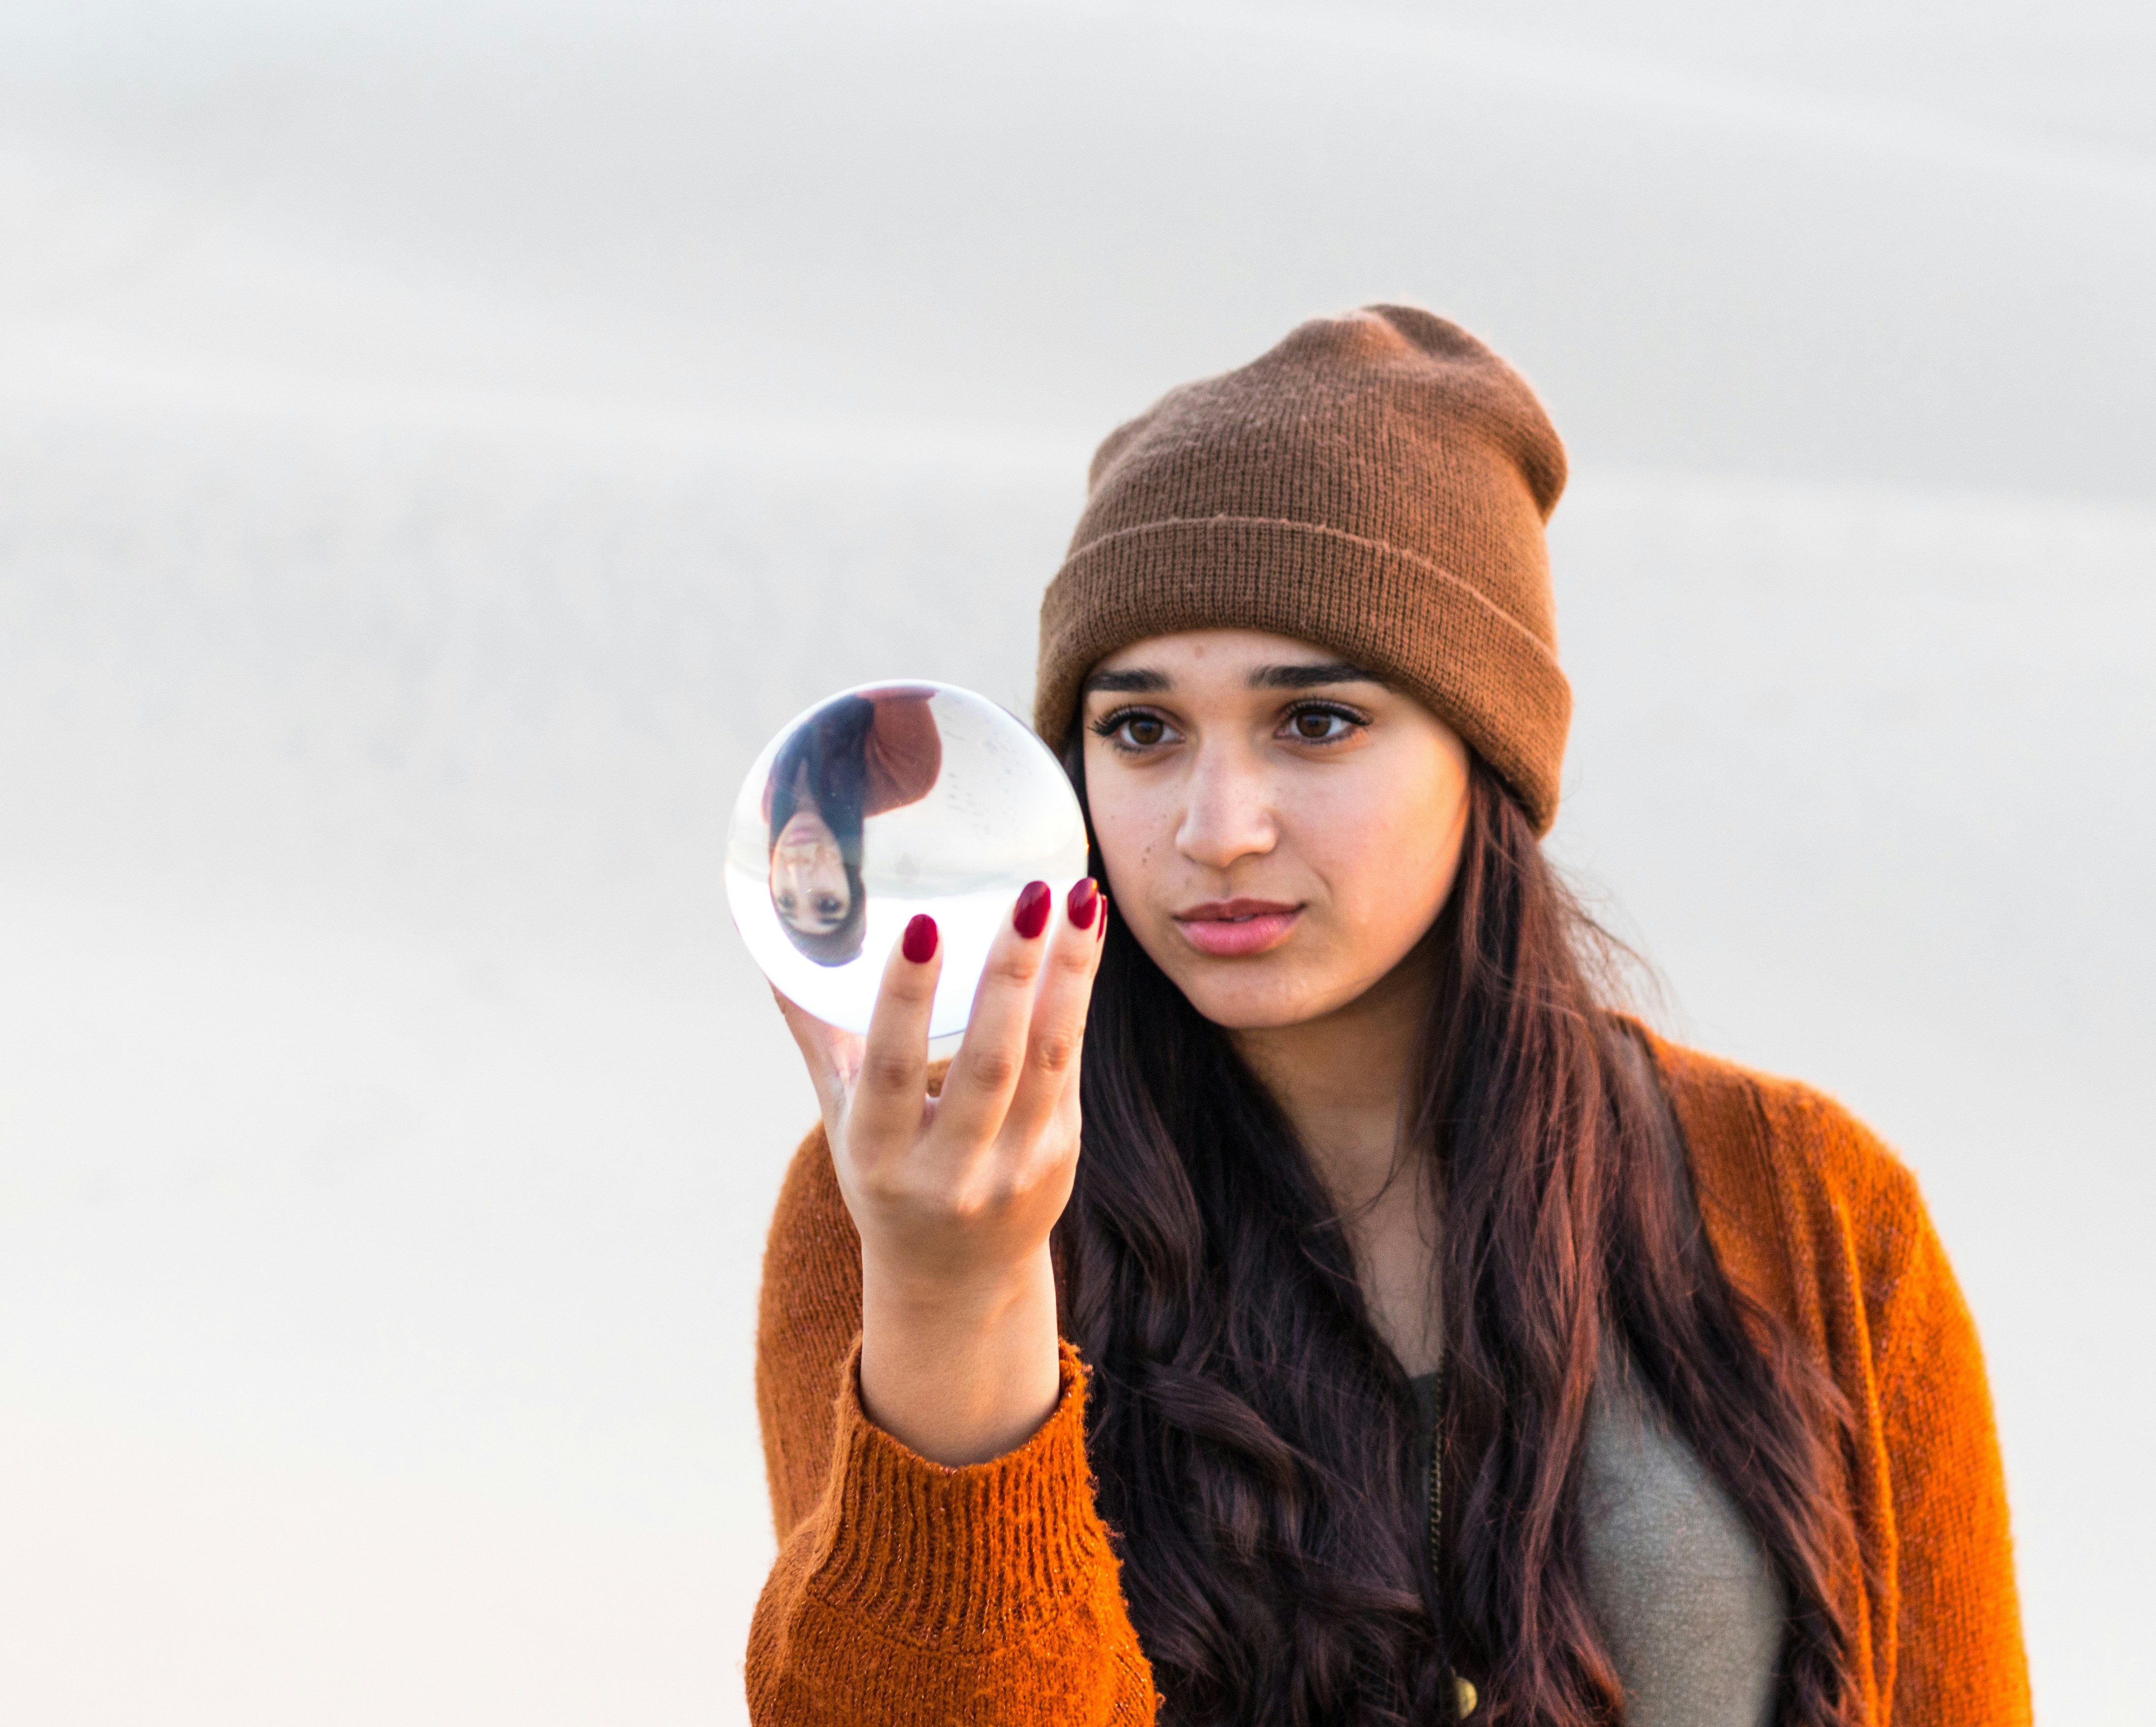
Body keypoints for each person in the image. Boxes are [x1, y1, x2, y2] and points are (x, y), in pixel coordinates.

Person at [746, 309, 2028, 1726]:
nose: (1213, 827)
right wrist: (953, 1297)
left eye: (1315, 723)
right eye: (1139, 728)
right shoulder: (919, 1188)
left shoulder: (1806, 1202)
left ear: (1482, 751)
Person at [764, 686, 943, 966]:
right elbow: (887, 663)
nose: (798, 873)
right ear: (851, 882)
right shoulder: (905, 774)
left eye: (786, 901)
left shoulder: (770, 804)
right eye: (827, 904)